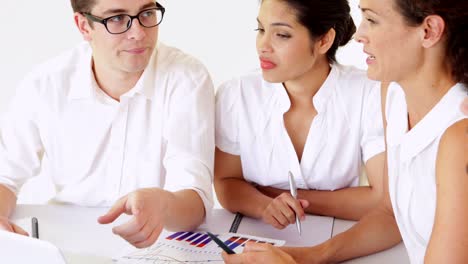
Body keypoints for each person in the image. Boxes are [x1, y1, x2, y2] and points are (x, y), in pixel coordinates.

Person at [223, 0, 468, 263]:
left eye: (372, 20)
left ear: (428, 30)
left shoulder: (460, 135)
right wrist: (309, 257)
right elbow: (389, 214)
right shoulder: (393, 95)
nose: (359, 35)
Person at [0, 0, 215, 249]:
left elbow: (195, 200)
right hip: (67, 244)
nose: (139, 33)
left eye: (146, 13)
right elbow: (5, 176)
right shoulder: (45, 84)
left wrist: (163, 204)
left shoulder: (185, 78)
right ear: (83, 26)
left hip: (158, 247)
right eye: (116, 18)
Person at [214, 0, 386, 231]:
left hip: (339, 238)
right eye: (261, 30)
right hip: (257, 237)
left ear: (324, 40)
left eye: (282, 35)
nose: (263, 46)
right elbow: (226, 183)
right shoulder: (237, 94)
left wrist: (280, 197)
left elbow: (380, 200)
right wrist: (264, 206)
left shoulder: (369, 92)